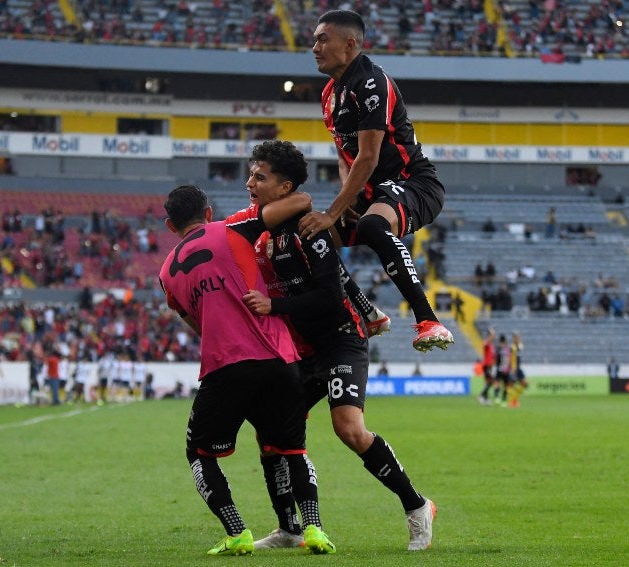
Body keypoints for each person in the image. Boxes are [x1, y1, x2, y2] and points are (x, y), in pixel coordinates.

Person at [240, 140, 435, 551]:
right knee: (273, 429)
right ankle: (290, 528)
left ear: (284, 186)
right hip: (303, 349)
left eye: (260, 177)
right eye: (250, 175)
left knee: (347, 428)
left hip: (341, 339)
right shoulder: (263, 235)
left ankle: (417, 506)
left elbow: (330, 294)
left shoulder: (311, 229)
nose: (250, 183)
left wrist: (274, 306)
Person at [158, 184, 335, 556]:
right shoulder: (234, 226)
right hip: (279, 360)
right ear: (208, 213)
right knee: (291, 448)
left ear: (170, 225)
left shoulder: (165, 273)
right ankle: (314, 529)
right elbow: (303, 200)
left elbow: (198, 324)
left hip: (227, 366)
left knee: (200, 454)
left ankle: (237, 531)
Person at [300, 9, 453, 353]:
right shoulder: (329, 94)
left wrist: (334, 209)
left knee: (369, 225)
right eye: (314, 40)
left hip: (415, 184)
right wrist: (347, 202)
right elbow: (346, 156)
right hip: (373, 195)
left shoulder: (370, 82)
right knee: (309, 237)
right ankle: (366, 311)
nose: (314, 47)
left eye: (322, 38)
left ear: (349, 43)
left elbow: (368, 155)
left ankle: (429, 320)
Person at [507, 332, 528, 408]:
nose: (517, 338)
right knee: (510, 385)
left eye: (518, 337)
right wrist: (511, 368)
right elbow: (509, 357)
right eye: (516, 337)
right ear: (513, 338)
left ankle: (515, 399)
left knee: (525, 383)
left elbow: (521, 347)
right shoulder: (511, 347)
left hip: (518, 368)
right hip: (513, 368)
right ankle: (512, 402)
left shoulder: (519, 345)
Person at [477, 328, 497, 406]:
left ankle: (485, 398)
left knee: (488, 382)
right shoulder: (486, 343)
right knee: (491, 381)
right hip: (486, 365)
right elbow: (485, 344)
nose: (493, 337)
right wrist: (491, 334)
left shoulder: (491, 345)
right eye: (492, 336)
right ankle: (481, 395)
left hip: (490, 366)